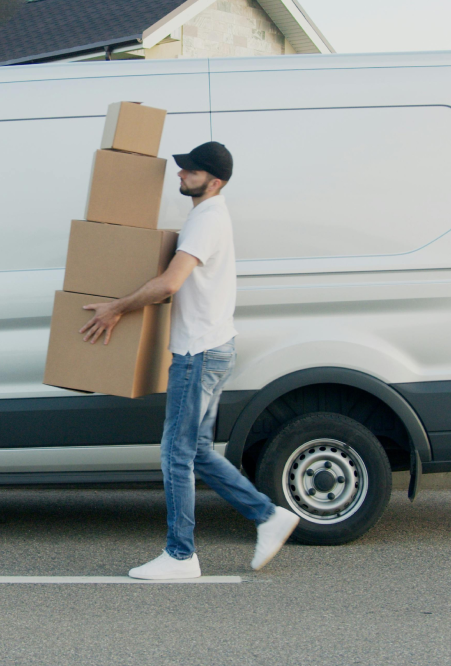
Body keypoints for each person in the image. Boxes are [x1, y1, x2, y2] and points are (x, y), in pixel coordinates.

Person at [79, 141, 299, 580]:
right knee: (195, 449)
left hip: (198, 353)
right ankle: (268, 515)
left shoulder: (207, 219)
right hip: (214, 347)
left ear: (213, 181)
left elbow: (169, 284)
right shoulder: (208, 216)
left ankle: (181, 555)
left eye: (190, 171)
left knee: (175, 454)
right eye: (183, 169)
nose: (180, 175)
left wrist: (115, 307)